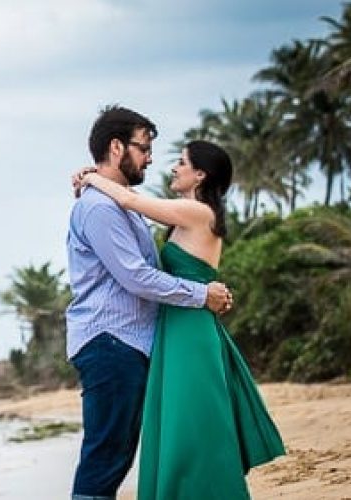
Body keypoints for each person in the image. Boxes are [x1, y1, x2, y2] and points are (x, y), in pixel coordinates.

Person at [77, 139, 286, 499]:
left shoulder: (199, 212)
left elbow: (130, 201)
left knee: (191, 431)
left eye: (182, 162)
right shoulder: (188, 215)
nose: (173, 167)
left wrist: (91, 177)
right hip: (177, 330)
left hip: (189, 334)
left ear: (200, 174)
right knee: (177, 429)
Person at [65, 105, 234, 500]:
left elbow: (139, 222)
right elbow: (136, 277)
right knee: (106, 454)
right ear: (116, 147)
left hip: (133, 344)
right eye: (144, 148)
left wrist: (91, 176)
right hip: (111, 342)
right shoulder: (99, 208)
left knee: (118, 453)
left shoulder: (124, 204)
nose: (152, 159)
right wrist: (201, 294)